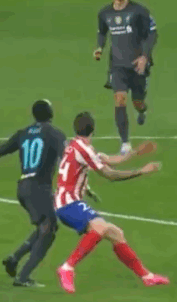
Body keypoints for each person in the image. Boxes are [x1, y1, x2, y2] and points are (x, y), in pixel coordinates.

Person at [55, 112, 169, 294]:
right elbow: (110, 174)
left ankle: (147, 277)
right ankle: (67, 267)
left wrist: (135, 153)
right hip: (68, 203)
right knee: (99, 227)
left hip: (67, 202)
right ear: (93, 129)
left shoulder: (77, 146)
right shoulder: (84, 150)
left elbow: (109, 160)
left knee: (116, 233)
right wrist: (141, 171)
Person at [0, 99, 68, 287]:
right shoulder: (55, 133)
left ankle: (14, 258)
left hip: (23, 188)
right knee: (49, 231)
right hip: (39, 188)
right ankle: (23, 277)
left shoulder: (23, 133)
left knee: (46, 226)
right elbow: (65, 159)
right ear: (51, 114)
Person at [95, 0, 158, 154]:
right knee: (120, 99)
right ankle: (125, 142)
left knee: (138, 102)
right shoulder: (104, 13)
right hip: (117, 65)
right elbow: (102, 32)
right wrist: (99, 47)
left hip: (138, 65)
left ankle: (142, 111)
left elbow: (152, 34)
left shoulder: (139, 11)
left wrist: (144, 57)